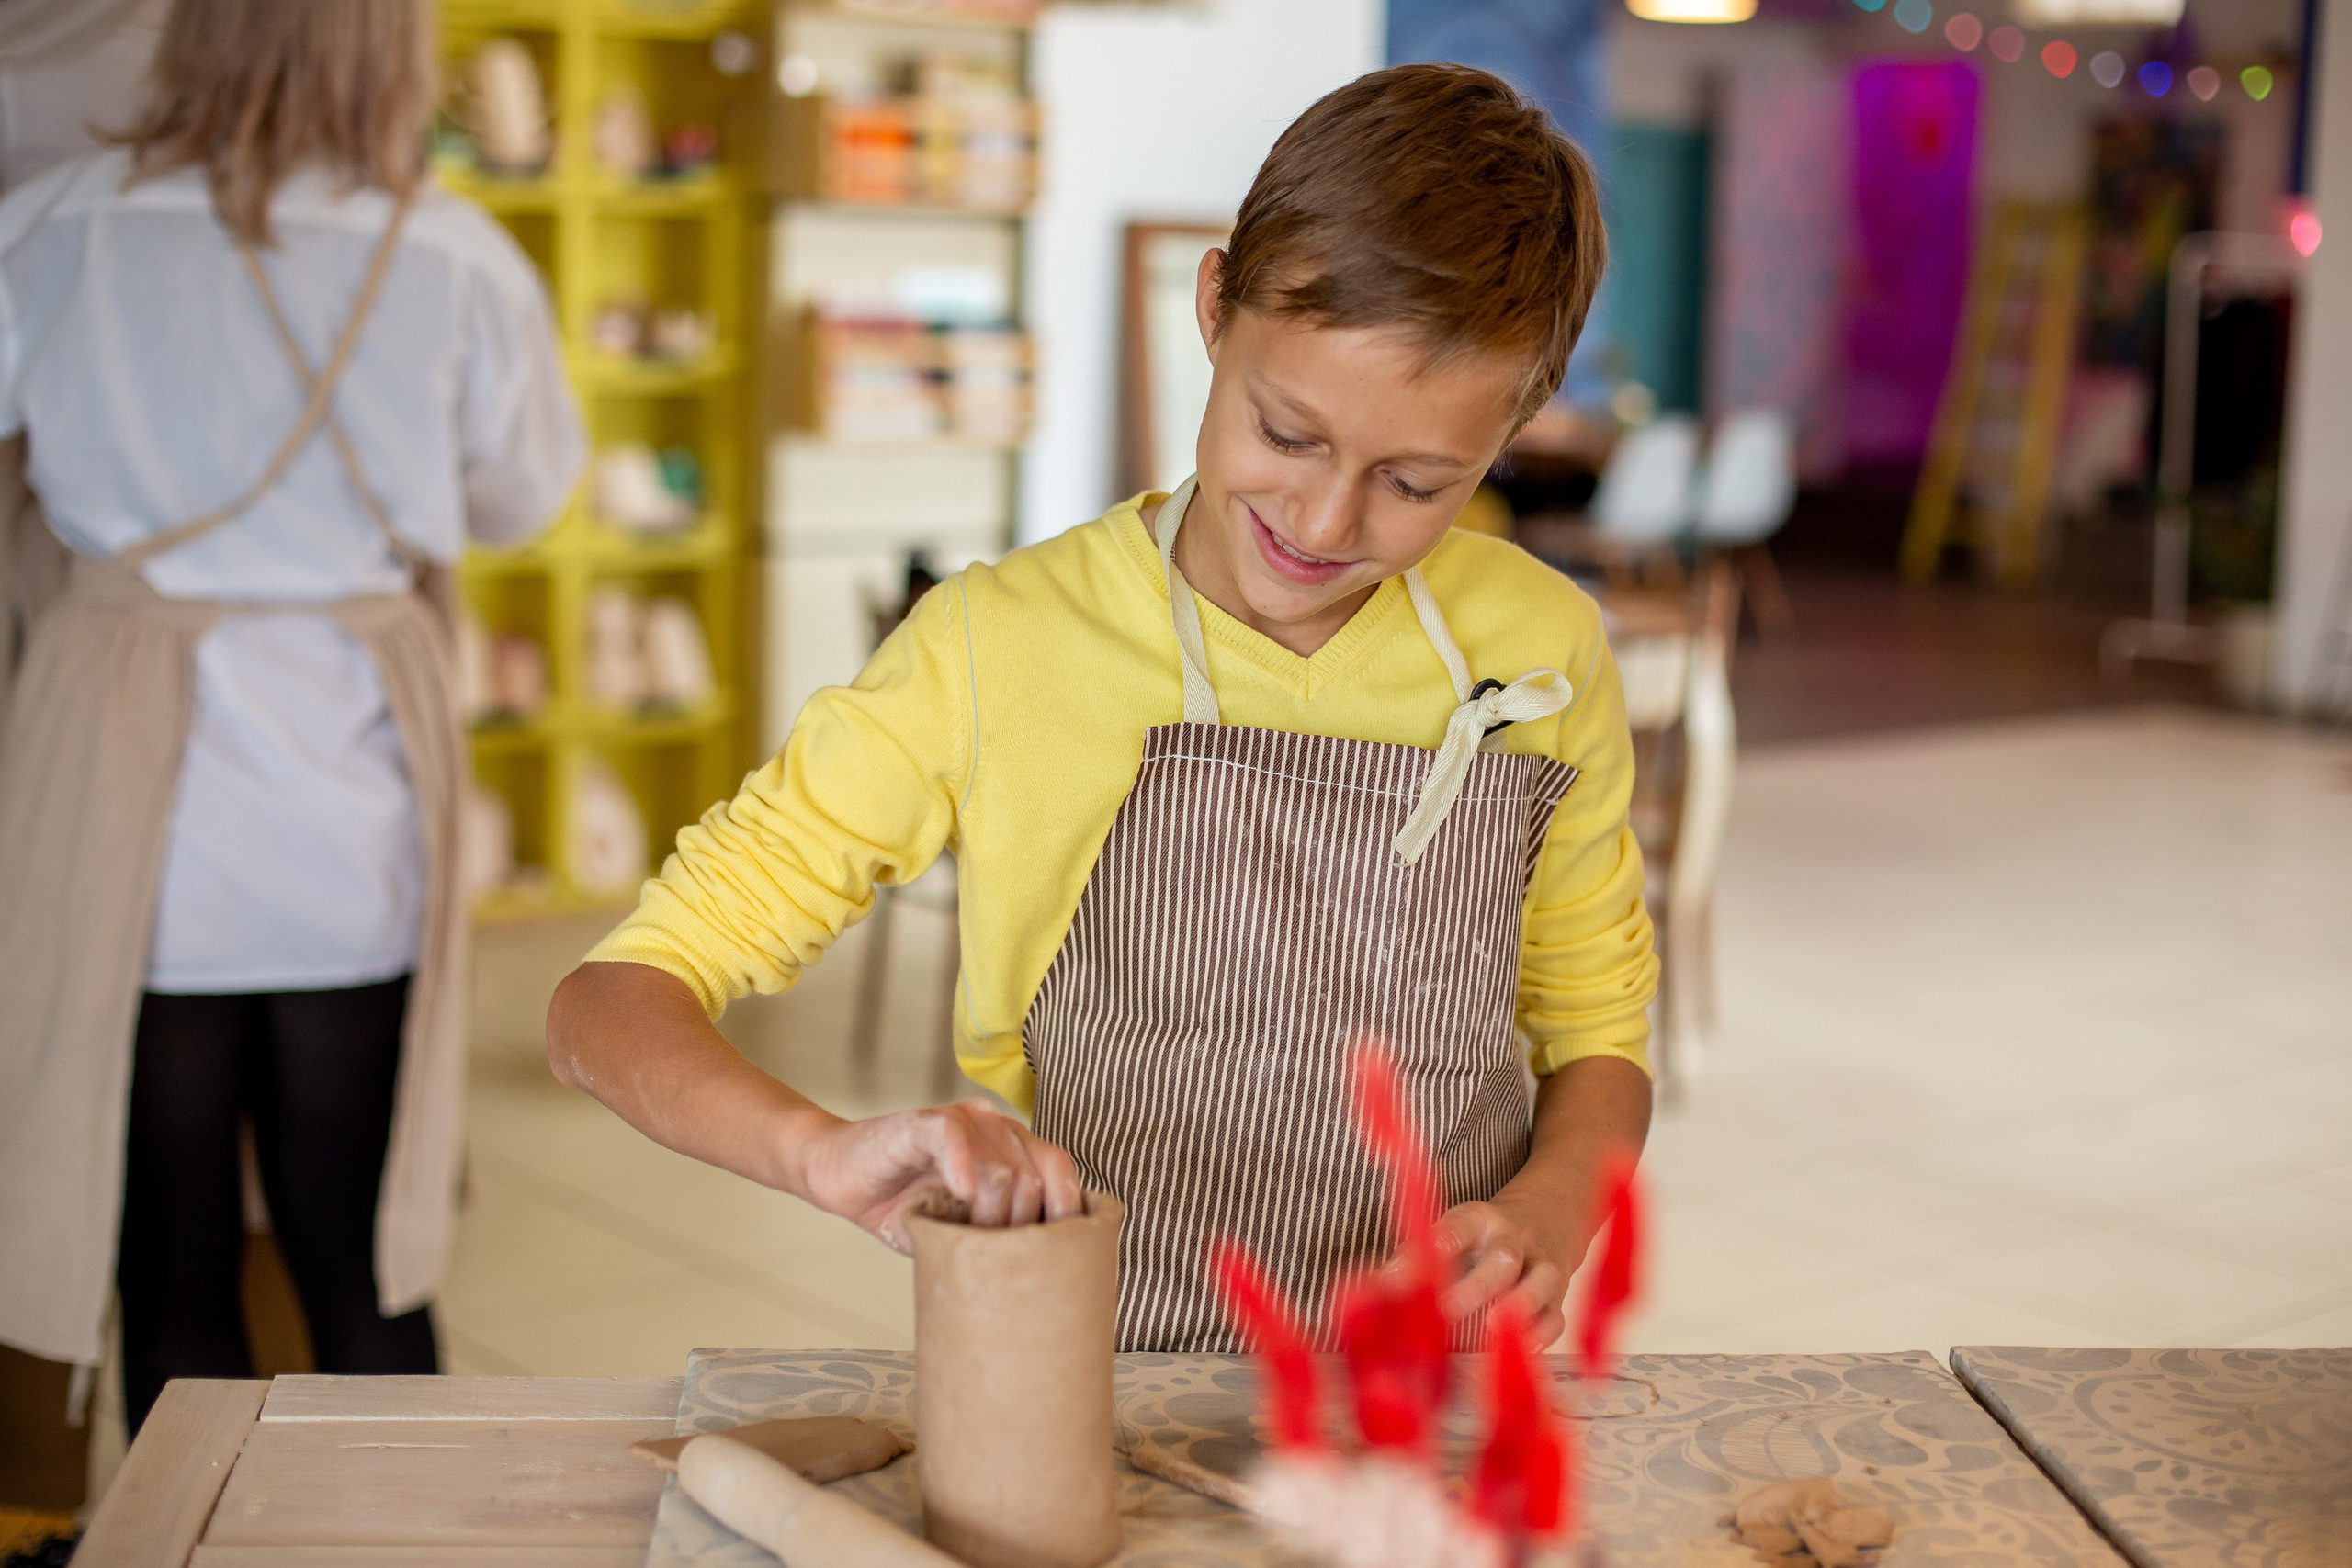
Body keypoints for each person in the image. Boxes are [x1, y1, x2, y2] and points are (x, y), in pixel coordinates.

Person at [549, 63, 1653, 1351]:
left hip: (1433, 1380)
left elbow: (1597, 1036)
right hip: (1088, 1366)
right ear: (1213, 305)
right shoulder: (995, 645)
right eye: (1285, 433)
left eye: (1416, 483)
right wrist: (821, 1151)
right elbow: (607, 1004)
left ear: (1513, 429)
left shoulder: (1543, 647)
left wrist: (1554, 1207)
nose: (1324, 519)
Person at [0, 0, 582, 1431]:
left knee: (170, 1260)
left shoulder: (56, 226)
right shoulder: (457, 255)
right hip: (351, 807)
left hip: (125, 788)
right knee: (359, 1256)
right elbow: (524, 495)